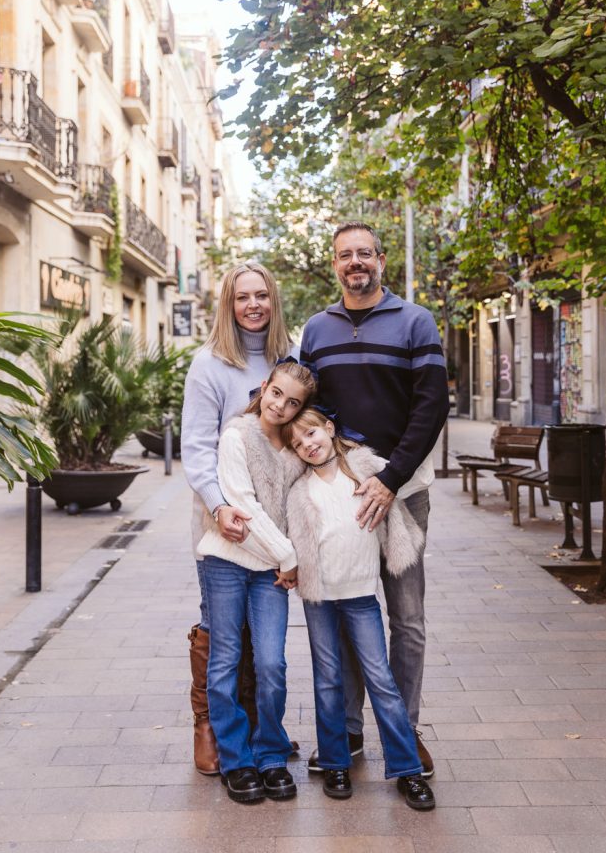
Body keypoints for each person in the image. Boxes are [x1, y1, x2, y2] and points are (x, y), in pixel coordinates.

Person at [300, 221, 450, 777]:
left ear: (381, 260)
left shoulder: (415, 321)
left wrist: (390, 479)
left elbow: (430, 407)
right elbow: (308, 414)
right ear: (334, 264)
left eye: (365, 253)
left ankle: (405, 732)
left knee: (406, 618)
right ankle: (350, 732)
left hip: (404, 494)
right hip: (346, 499)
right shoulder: (316, 329)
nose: (356, 262)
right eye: (346, 255)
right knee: (348, 611)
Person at [282, 407, 435, 810]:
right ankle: (335, 762)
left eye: (312, 433)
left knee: (381, 680)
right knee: (328, 678)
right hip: (320, 598)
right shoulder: (298, 490)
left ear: (329, 429)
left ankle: (407, 770)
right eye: (298, 443)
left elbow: (407, 478)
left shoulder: (364, 466)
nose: (308, 445)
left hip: (361, 594)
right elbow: (290, 536)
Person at [181, 262, 294, 775]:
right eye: (243, 296)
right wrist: (219, 506)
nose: (253, 305)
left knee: (267, 644)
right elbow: (197, 448)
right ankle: (209, 725)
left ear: (274, 301)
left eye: (262, 295)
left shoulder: (287, 359)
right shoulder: (209, 364)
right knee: (221, 631)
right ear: (228, 304)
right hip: (221, 520)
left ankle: (259, 733)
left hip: (274, 528)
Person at [199, 361, 317, 803]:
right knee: (225, 660)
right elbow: (243, 506)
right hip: (228, 563)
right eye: (277, 394)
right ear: (264, 387)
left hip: (270, 572)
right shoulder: (237, 435)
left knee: (271, 663)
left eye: (293, 403)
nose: (281, 406)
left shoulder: (294, 450)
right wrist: (288, 557)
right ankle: (236, 759)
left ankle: (270, 752)